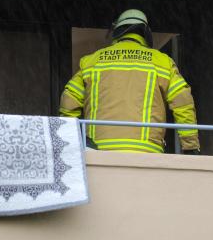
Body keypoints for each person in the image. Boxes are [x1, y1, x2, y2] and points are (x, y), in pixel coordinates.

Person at [60, 9, 200, 154]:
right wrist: (190, 146)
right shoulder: (162, 62)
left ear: (117, 32)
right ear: (146, 33)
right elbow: (183, 103)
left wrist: (74, 139)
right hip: (147, 153)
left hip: (99, 152)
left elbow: (68, 101)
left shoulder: (91, 61)